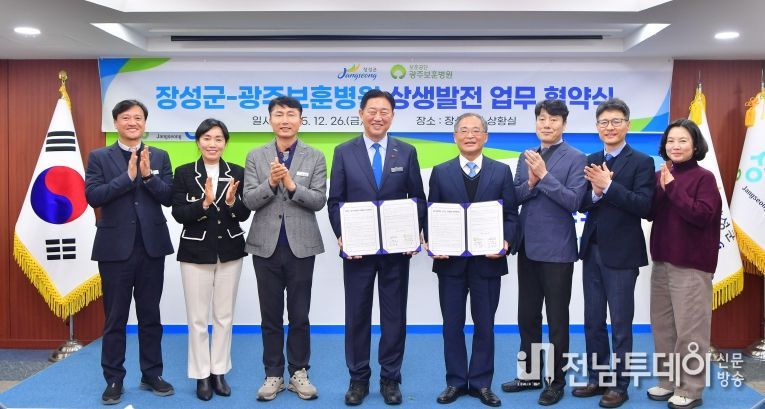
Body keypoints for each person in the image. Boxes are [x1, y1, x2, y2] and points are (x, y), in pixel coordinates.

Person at [327, 89, 426, 406]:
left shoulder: (406, 152)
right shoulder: (344, 152)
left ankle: (390, 378)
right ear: (361, 114)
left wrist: (413, 232)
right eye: (372, 111)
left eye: (384, 111)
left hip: (396, 252)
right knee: (356, 315)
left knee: (394, 316)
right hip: (358, 251)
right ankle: (358, 379)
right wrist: (343, 235)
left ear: (392, 116)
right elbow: (335, 201)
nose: (378, 117)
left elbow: (417, 198)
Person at [85, 100, 174, 405]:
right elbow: (93, 196)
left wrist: (148, 176)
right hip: (114, 249)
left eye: (138, 117)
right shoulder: (99, 157)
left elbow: (169, 197)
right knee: (115, 318)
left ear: (145, 123)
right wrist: (128, 177)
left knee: (151, 316)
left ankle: (152, 374)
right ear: (116, 123)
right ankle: (114, 379)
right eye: (126, 117)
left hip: (151, 247)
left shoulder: (159, 155)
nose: (132, 122)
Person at [426, 113, 519, 407]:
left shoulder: (501, 171)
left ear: (485, 137)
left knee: (485, 325)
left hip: (488, 263)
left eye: (476, 130)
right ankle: (455, 381)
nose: (470, 135)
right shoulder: (440, 172)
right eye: (464, 130)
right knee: (451, 325)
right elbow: (431, 214)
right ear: (455, 136)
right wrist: (432, 242)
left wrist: (506, 242)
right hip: (450, 264)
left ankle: (481, 383)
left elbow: (511, 215)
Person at [502, 99, 587, 406]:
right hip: (528, 248)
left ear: (564, 124)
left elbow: (574, 201)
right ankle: (529, 375)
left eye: (553, 120)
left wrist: (545, 176)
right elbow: (514, 197)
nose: (546, 124)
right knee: (527, 317)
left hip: (557, 251)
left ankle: (556, 381)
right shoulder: (526, 156)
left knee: (557, 320)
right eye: (542, 119)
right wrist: (531, 180)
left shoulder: (577, 158)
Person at [243, 96, 327, 401]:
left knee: (300, 314)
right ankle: (273, 374)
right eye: (279, 114)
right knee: (270, 315)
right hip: (265, 246)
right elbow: (249, 200)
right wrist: (269, 183)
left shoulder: (315, 156)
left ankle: (299, 373)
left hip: (301, 246)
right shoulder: (256, 156)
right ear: (270, 120)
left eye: (291, 114)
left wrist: (292, 186)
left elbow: (319, 200)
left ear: (301, 120)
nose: (285, 120)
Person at [573, 98, 655, 408]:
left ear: (627, 125)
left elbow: (645, 206)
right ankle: (597, 378)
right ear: (597, 128)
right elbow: (580, 203)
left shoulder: (642, 162)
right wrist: (595, 193)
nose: (610, 127)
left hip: (622, 254)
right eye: (604, 122)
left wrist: (608, 186)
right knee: (593, 320)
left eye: (616, 121)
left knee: (620, 324)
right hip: (592, 250)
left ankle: (620, 385)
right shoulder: (591, 159)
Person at [171, 118, 250, 401]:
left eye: (218, 139)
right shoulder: (183, 173)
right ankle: (201, 375)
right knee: (197, 318)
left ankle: (219, 371)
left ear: (225, 143)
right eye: (207, 138)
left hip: (229, 250)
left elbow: (244, 213)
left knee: (224, 316)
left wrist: (230, 202)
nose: (212, 144)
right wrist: (203, 203)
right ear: (198, 141)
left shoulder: (237, 172)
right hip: (195, 252)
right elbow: (178, 214)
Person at [646, 119, 721, 409]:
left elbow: (701, 215)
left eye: (682, 140)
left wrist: (672, 188)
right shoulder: (661, 175)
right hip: (662, 262)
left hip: (691, 265)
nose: (675, 146)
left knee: (691, 330)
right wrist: (659, 187)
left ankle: (690, 389)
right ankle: (668, 382)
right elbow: (650, 212)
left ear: (695, 145)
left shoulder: (704, 178)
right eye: (670, 141)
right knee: (663, 327)